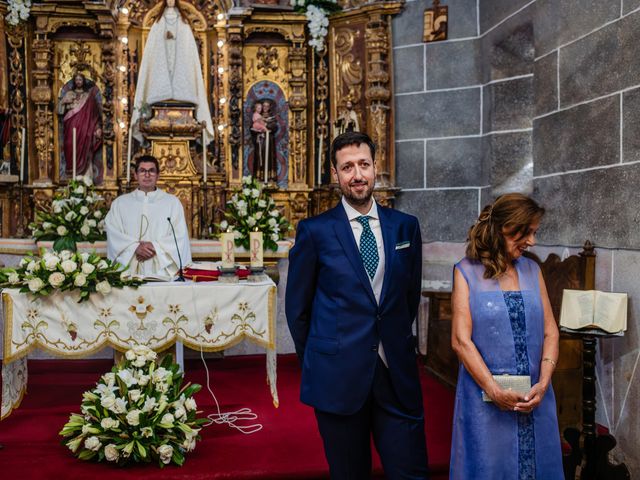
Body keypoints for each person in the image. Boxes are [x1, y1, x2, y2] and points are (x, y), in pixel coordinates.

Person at [286, 131, 429, 479]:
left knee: (410, 470)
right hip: (338, 375)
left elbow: (409, 297)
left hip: (395, 372)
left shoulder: (405, 228)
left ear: (375, 168)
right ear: (335, 175)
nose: (357, 174)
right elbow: (297, 310)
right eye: (347, 167)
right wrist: (321, 361)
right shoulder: (315, 232)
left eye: (363, 164)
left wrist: (390, 339)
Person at [449, 193, 563, 479]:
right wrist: (494, 390)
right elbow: (461, 341)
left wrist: (544, 382)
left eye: (535, 233)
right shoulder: (466, 272)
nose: (532, 241)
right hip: (486, 401)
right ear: (504, 228)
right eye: (527, 232)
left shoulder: (532, 270)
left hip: (535, 398)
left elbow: (551, 331)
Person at [131, 0, 213, 142]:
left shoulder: (184, 24)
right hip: (162, 70)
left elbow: (188, 54)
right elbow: (153, 53)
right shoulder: (157, 25)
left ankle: (179, 92)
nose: (170, 1)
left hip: (180, 75)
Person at [105, 155, 191, 278]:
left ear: (158, 175)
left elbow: (179, 235)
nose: (147, 175)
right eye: (142, 171)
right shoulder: (120, 203)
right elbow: (114, 233)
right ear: (135, 175)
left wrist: (154, 247)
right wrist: (135, 247)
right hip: (129, 268)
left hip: (161, 270)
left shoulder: (172, 203)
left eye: (151, 171)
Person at [58, 73, 103, 182]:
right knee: (70, 146)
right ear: (74, 81)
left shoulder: (89, 96)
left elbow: (94, 116)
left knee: (86, 149)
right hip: (70, 127)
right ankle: (71, 178)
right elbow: (59, 111)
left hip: (85, 129)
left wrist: (97, 128)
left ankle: (86, 178)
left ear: (83, 81)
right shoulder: (68, 94)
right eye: (76, 79)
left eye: (80, 79)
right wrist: (63, 102)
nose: (78, 82)